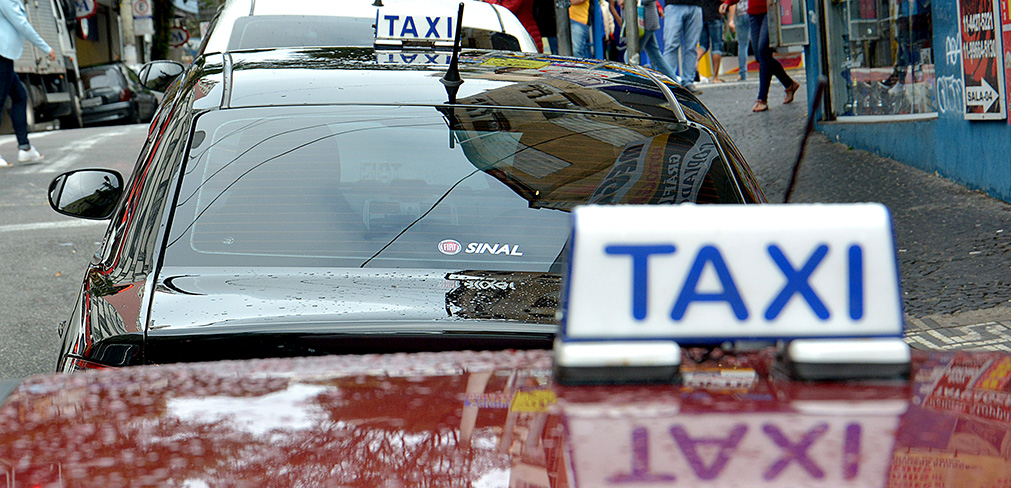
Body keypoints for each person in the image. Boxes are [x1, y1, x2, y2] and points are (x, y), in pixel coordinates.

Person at [0, 0, 54, 167]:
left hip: (5, 55)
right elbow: (20, 23)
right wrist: (45, 47)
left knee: (20, 96)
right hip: (1, 54)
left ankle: (25, 148)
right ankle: (24, 148)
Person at [720, 0, 799, 112]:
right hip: (753, 14)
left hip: (770, 11)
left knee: (763, 50)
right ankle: (789, 84)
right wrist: (728, 3)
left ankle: (762, 99)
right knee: (760, 56)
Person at [621, 0, 678, 81]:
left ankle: (635, 82)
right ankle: (675, 81)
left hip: (645, 22)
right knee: (656, 57)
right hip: (644, 23)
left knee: (630, 56)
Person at [661, 0, 703, 93]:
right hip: (674, 4)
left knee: (691, 46)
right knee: (671, 45)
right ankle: (668, 82)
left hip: (696, 4)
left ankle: (688, 82)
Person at [697, 0, 724, 83]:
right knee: (717, 46)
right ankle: (715, 77)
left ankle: (694, 63)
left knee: (703, 45)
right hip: (715, 15)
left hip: (702, 16)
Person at [728, 0, 750, 81]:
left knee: (742, 45)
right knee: (759, 41)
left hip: (740, 14)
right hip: (753, 12)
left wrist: (731, 20)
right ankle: (766, 70)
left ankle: (743, 73)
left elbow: (732, 3)